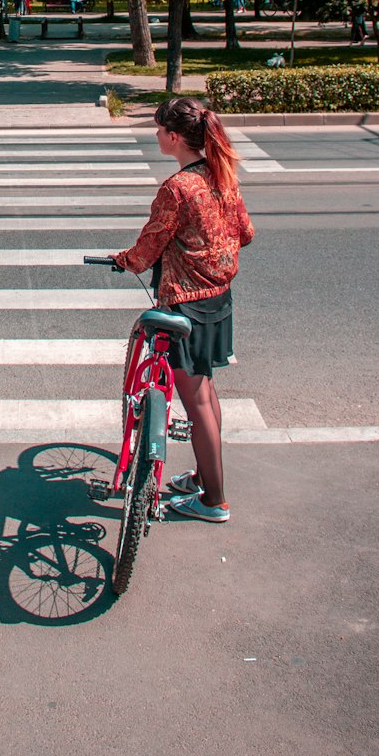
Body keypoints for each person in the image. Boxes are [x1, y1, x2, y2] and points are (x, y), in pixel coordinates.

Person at [111, 95, 254, 523]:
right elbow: (245, 233)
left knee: (196, 401)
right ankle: (203, 478)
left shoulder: (177, 188)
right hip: (218, 300)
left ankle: (214, 501)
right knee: (205, 392)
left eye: (158, 129)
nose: (155, 135)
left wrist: (125, 260)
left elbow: (148, 247)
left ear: (174, 138)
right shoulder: (221, 175)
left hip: (184, 305)